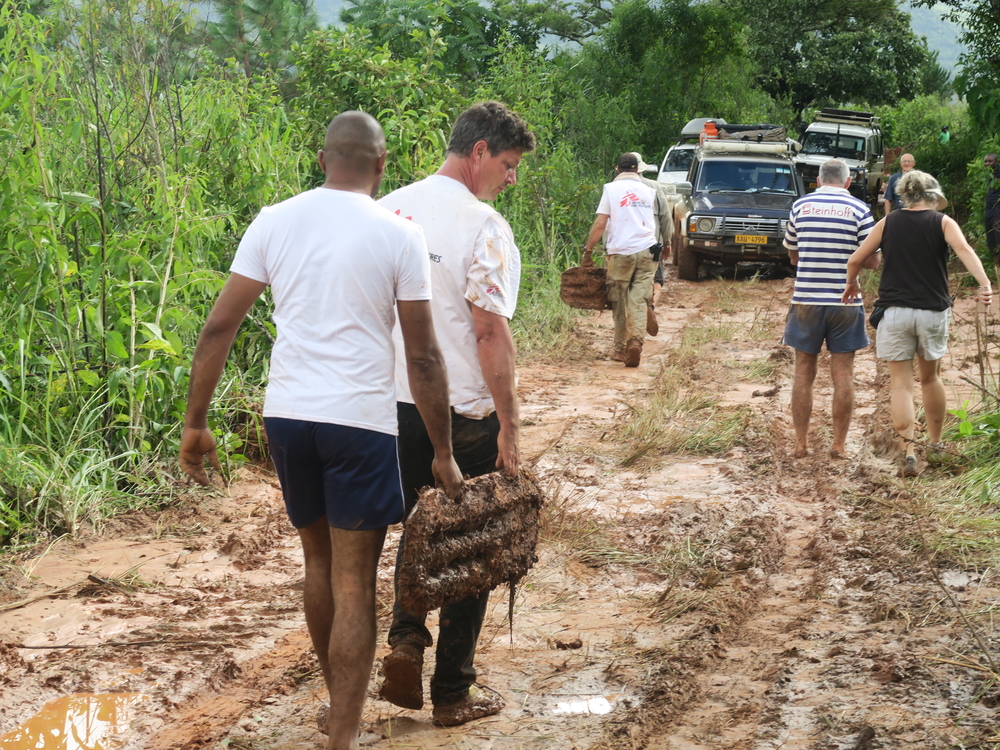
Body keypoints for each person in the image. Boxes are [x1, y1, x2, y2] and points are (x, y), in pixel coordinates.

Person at [178, 111, 463, 749]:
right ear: (382, 164)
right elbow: (422, 357)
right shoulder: (399, 233)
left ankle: (340, 708)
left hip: (287, 415)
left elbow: (219, 326)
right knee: (355, 581)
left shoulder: (274, 220)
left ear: (321, 158)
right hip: (358, 422)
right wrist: (443, 450)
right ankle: (342, 736)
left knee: (317, 561)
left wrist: (196, 422)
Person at [377, 101, 536, 727]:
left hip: (391, 404)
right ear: (479, 152)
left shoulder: (389, 208)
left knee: (420, 525)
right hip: (463, 411)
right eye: (509, 164)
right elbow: (489, 331)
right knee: (473, 542)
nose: (511, 178)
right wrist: (511, 425)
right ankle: (452, 692)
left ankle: (405, 638)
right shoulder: (484, 225)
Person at [843, 170, 993, 477]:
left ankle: (908, 454)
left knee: (901, 385)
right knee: (930, 378)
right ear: (934, 197)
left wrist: (852, 284)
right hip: (932, 312)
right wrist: (985, 284)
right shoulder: (943, 222)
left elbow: (855, 259)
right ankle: (936, 444)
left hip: (895, 312)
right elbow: (964, 250)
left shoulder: (888, 222)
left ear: (904, 197)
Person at [782, 158, 879, 460]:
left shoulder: (800, 207)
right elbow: (873, 261)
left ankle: (800, 444)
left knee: (803, 371)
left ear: (819, 181)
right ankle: (839, 445)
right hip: (846, 302)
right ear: (848, 181)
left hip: (806, 300)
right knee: (843, 373)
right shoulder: (860, 210)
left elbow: (793, 257)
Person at [582, 152, 659, 366]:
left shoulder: (611, 189)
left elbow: (600, 224)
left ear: (617, 169)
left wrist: (588, 252)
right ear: (638, 170)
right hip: (648, 251)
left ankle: (619, 349)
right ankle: (635, 341)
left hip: (621, 253)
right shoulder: (649, 191)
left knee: (619, 300)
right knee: (638, 299)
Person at [627, 152, 675, 337]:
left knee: (629, 281)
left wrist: (607, 247)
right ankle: (650, 306)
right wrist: (667, 243)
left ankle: (630, 319)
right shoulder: (654, 187)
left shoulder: (616, 188)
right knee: (657, 280)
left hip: (625, 246)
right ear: (641, 169)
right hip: (652, 245)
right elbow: (665, 217)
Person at [984, 153, 1000, 281]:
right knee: (992, 243)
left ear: (997, 162)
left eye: (990, 161)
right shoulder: (987, 176)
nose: (988, 164)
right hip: (989, 211)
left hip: (997, 210)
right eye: (986, 162)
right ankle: (997, 274)